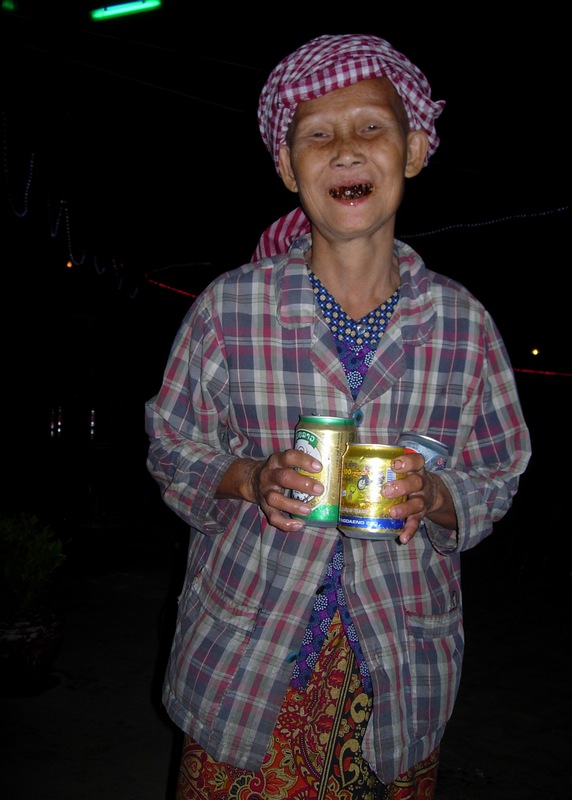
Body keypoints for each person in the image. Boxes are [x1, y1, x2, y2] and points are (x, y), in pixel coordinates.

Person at [144, 33, 532, 799]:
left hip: (399, 675)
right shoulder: (229, 308)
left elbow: (499, 467)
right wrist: (246, 477)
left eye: (371, 127)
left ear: (413, 151)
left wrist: (438, 496)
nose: (346, 149)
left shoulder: (464, 324)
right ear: (289, 169)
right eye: (318, 135)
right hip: (246, 667)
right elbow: (169, 443)